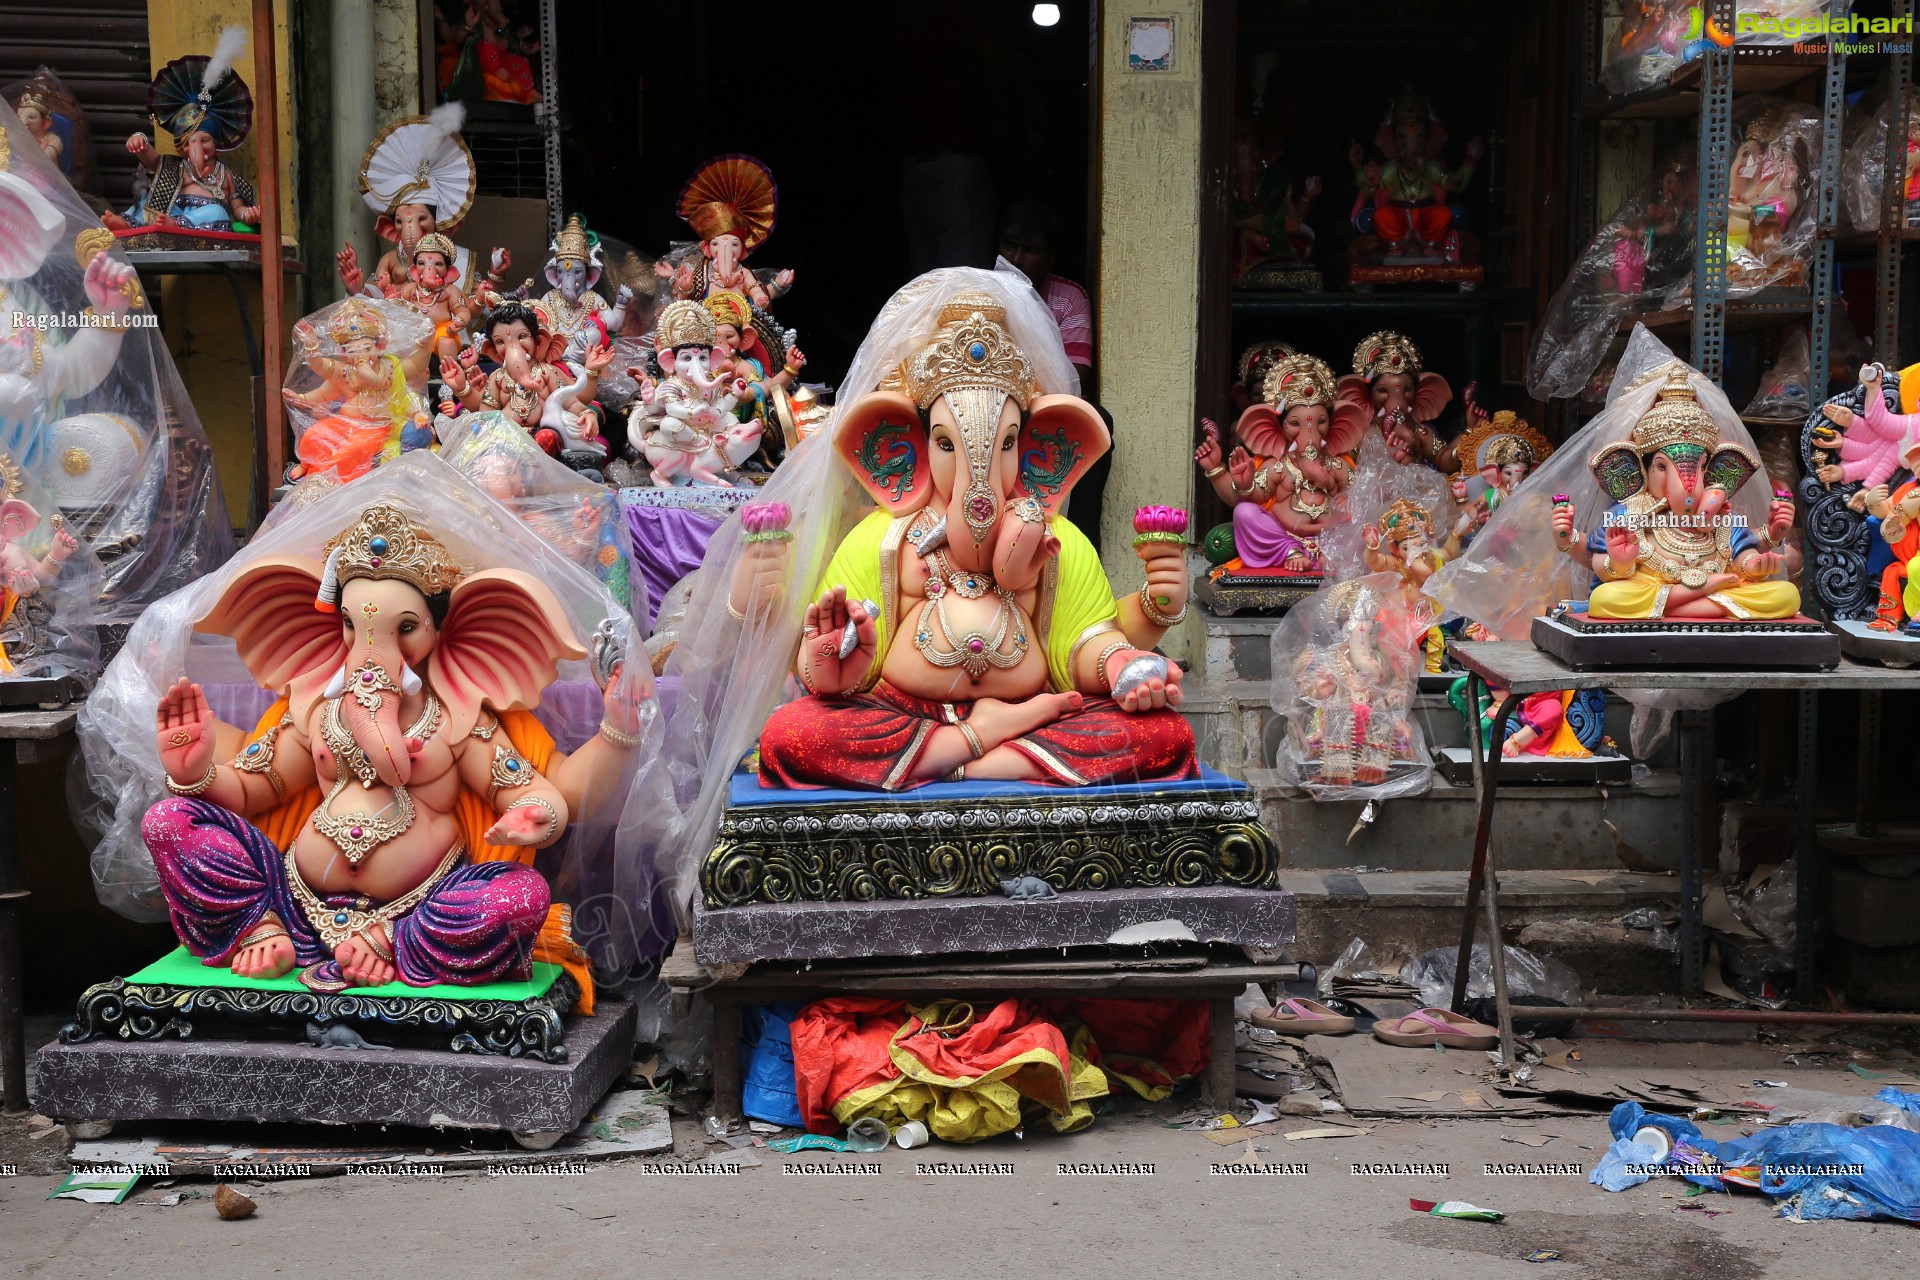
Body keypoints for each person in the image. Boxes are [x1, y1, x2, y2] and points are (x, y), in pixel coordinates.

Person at [998, 200, 1107, 538]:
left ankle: (1080, 539)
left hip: (1044, 406)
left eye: (1030, 250)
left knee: (1098, 421)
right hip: (986, 407)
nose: (1016, 259)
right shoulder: (978, 290)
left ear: (1051, 256)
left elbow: (1075, 377)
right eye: (1009, 246)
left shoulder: (1068, 298)